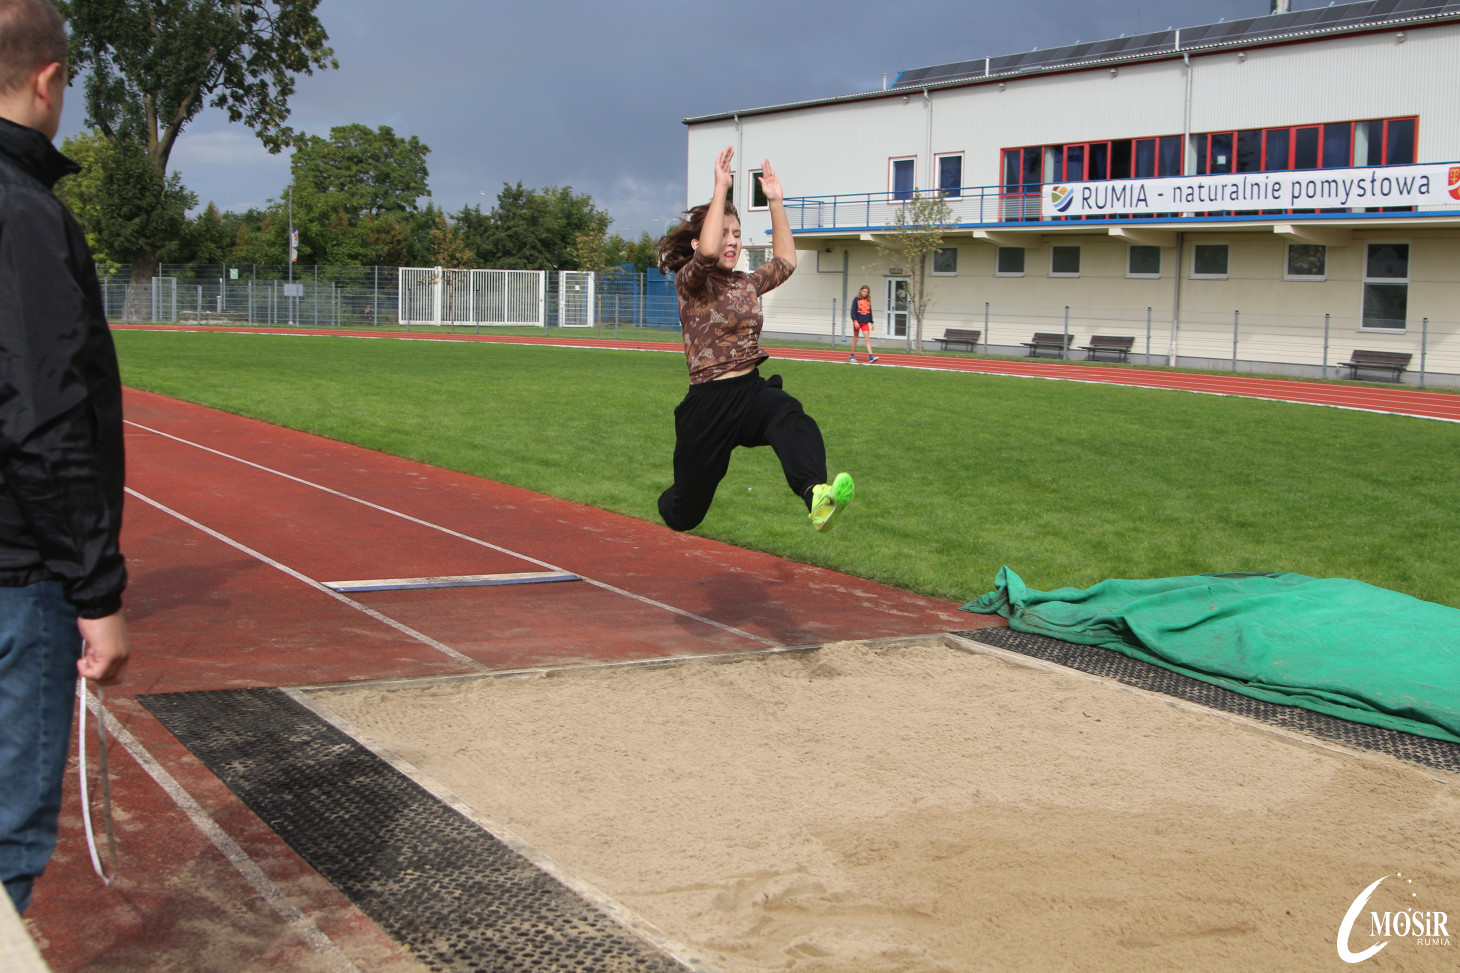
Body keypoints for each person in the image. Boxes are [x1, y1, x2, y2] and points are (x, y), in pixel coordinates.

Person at [0, 0, 131, 915]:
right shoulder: (23, 211)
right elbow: (43, 415)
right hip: (20, 571)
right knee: (9, 833)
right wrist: (96, 593)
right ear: (49, 79)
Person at [655, 146, 854, 533]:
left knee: (790, 415)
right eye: (724, 233)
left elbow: (786, 262)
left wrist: (776, 201)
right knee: (685, 514)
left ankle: (816, 495)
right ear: (698, 243)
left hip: (750, 393)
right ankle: (669, 502)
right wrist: (721, 188)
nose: (732, 241)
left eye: (737, 234)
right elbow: (707, 252)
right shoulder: (690, 282)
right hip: (708, 405)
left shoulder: (745, 283)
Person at [848, 284, 879, 363]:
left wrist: (872, 322)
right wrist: (855, 321)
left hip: (865, 323)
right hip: (857, 322)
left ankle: (871, 356)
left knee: (867, 339)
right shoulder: (856, 299)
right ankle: (852, 355)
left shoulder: (868, 300)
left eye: (866, 292)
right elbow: (853, 311)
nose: (865, 293)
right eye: (864, 291)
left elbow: (869, 312)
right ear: (861, 291)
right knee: (855, 338)